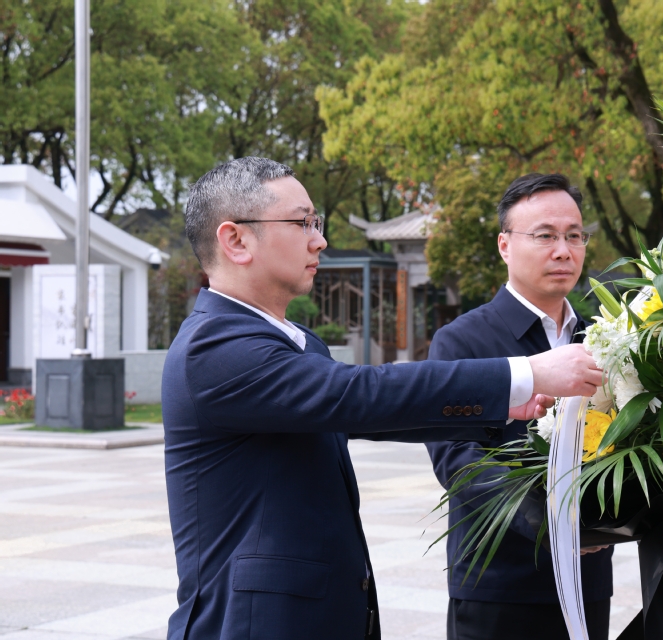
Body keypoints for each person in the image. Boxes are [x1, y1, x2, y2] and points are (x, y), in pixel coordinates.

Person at [161, 158, 604, 639]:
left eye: (317, 222)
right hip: (252, 624)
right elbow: (357, 394)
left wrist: (499, 403)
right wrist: (525, 373)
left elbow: (363, 413)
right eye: (301, 222)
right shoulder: (214, 347)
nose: (319, 239)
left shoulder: (298, 341)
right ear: (236, 240)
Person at [426, 173, 614, 640]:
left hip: (589, 581)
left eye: (574, 236)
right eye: (545, 235)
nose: (563, 250)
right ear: (504, 245)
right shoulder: (462, 341)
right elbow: (457, 460)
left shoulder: (607, 337)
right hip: (498, 585)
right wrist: (550, 521)